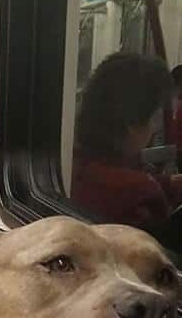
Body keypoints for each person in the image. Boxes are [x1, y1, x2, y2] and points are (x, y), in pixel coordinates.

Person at [71, 52, 182, 229]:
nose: (155, 128)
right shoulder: (141, 193)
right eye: (154, 117)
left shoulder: (72, 161)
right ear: (132, 125)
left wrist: (171, 183)